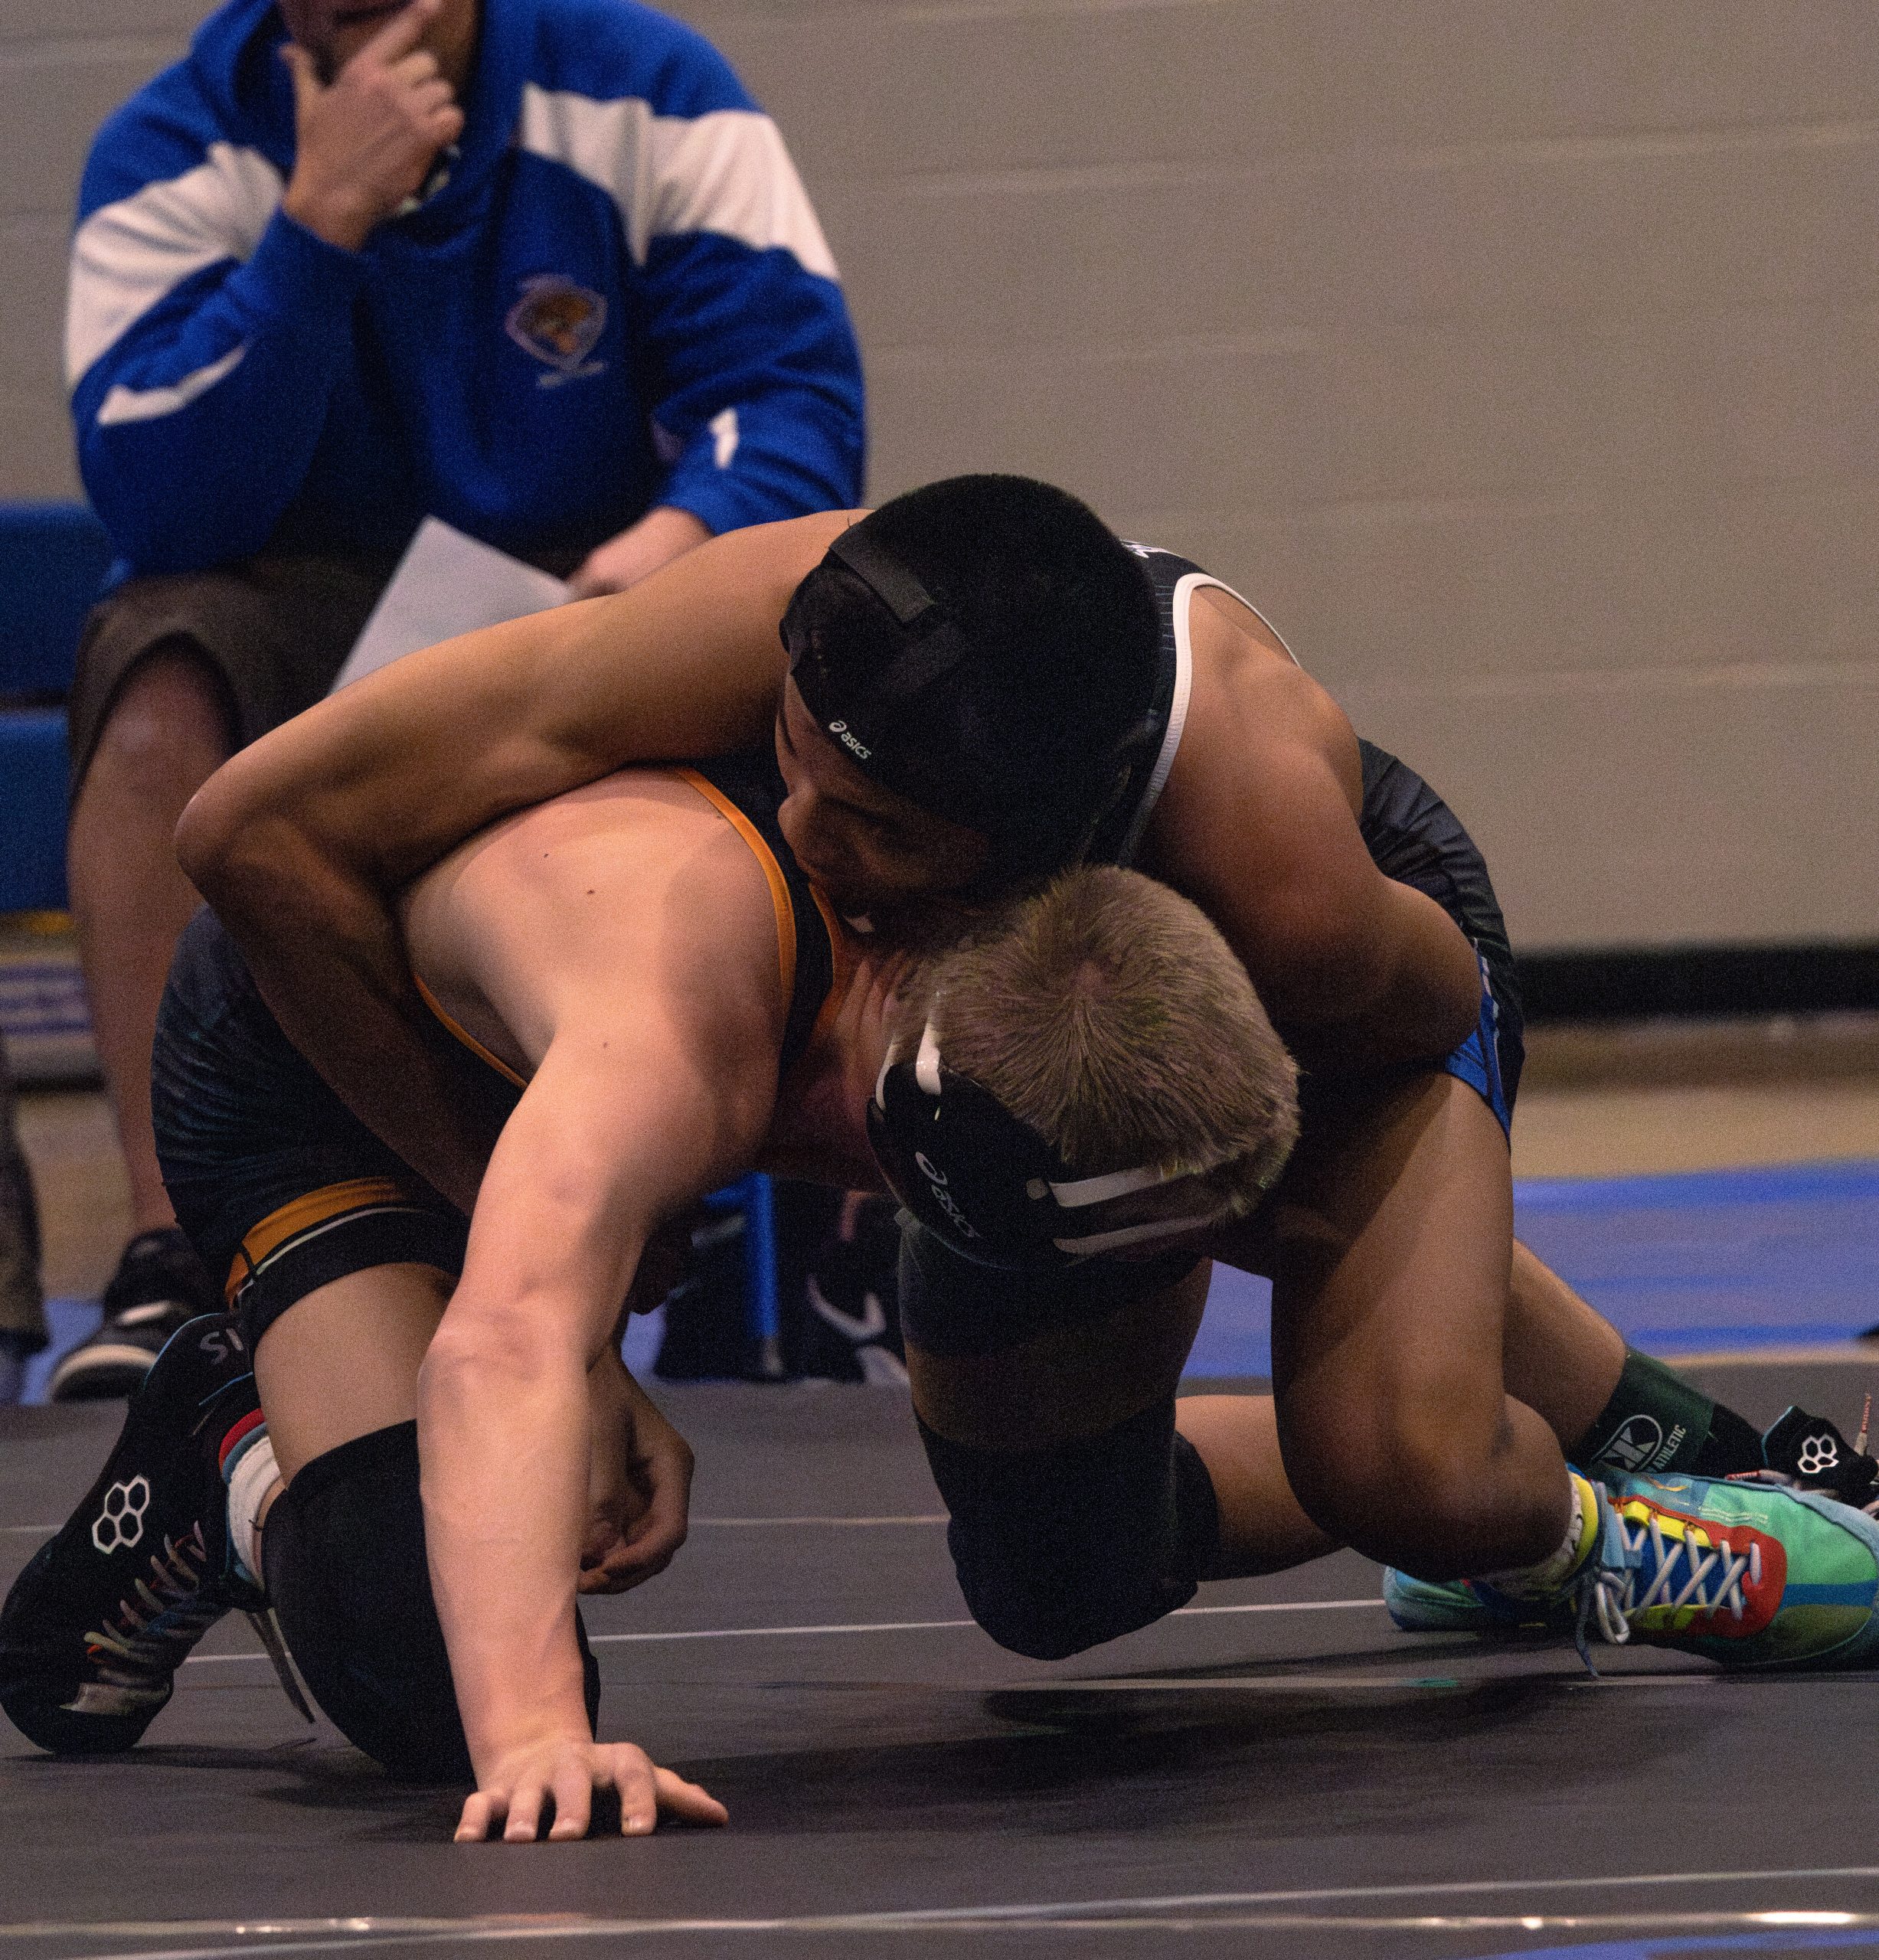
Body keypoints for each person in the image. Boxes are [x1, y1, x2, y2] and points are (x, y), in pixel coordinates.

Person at [175, 475, 1879, 1629]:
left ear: (1045, 837)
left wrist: (1275, 1226)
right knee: (1057, 1587)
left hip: (1325, 1007)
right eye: (789, 762)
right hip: (1022, 1030)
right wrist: (489, 1185)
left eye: (877, 832)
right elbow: (253, 826)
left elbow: (1411, 1060)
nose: (801, 831)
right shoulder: (797, 613)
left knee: (1407, 1461)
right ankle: (1680, 1458)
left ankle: (1678, 1513)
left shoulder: (1281, 880)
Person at [0, 748, 1302, 1838]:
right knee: (429, 1681)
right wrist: (534, 1737)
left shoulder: (1057, 980)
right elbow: (505, 1343)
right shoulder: (672, 1027)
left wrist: (1416, 1468)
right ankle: (231, 1456)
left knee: (1069, 1560)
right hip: (310, 1053)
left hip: (550, 1086)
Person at [54, 0, 865, 1397]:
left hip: (595, 592)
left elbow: (791, 402)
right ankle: (172, 1253)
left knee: (796, 615)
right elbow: (161, 502)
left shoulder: (650, 90)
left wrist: (659, 560)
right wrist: (319, 224)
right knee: (153, 672)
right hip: (303, 618)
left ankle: (761, 1205)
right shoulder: (171, 149)